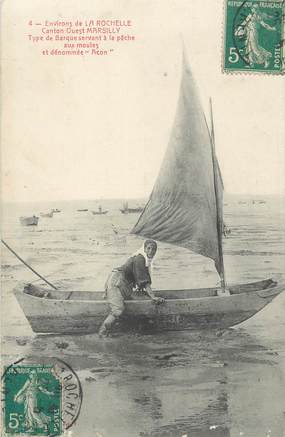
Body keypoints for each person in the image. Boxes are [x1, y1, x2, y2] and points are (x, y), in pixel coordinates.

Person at [99, 239, 165, 337]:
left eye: (154, 249)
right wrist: (153, 297)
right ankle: (102, 333)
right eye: (149, 248)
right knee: (118, 310)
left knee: (134, 301)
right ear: (144, 249)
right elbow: (145, 281)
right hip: (116, 283)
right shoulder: (140, 259)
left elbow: (141, 279)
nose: (151, 251)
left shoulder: (144, 259)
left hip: (122, 283)